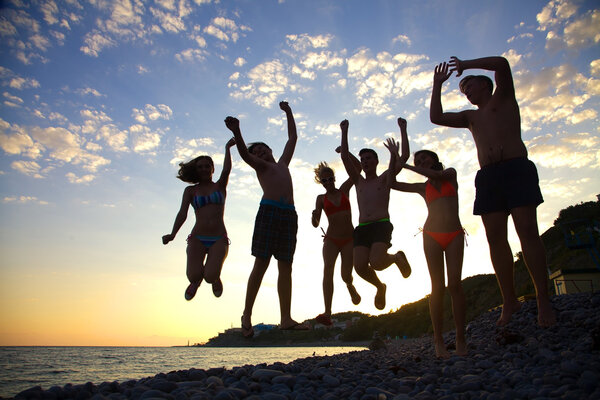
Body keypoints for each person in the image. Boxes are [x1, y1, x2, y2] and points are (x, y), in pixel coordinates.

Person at [430, 56, 556, 327]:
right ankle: (509, 300)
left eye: (470, 86)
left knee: (526, 230)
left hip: (516, 168)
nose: (467, 92)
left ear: (485, 85)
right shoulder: (470, 117)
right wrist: (437, 84)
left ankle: (543, 298)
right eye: (463, 91)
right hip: (488, 176)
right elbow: (436, 117)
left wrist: (465, 65)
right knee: (495, 238)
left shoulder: (504, 98)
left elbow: (501, 64)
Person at [224, 101, 309, 338]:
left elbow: (292, 139)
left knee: (286, 266)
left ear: (271, 150)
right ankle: (247, 315)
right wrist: (237, 132)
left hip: (289, 215)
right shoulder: (260, 167)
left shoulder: (282, 164)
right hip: (269, 212)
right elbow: (243, 153)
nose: (260, 153)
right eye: (256, 153)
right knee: (261, 264)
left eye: (263, 149)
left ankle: (285, 318)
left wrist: (289, 112)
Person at [390, 146, 467, 358]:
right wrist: (394, 160)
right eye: (418, 161)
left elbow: (438, 175)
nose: (421, 162)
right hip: (431, 234)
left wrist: (406, 165)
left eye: (424, 158)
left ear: (434, 159)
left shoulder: (449, 174)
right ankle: (438, 341)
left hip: (454, 234)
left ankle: (461, 339)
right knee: (437, 287)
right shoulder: (422, 188)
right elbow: (391, 184)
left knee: (455, 284)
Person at [339, 118, 412, 311]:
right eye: (362, 160)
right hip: (362, 228)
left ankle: (396, 257)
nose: (365, 162)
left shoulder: (384, 178)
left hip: (381, 224)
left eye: (369, 158)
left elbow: (404, 156)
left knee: (377, 263)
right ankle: (380, 287)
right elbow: (345, 157)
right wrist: (344, 131)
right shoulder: (358, 182)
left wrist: (403, 129)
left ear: (376, 161)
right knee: (360, 267)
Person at [162, 138, 236, 301]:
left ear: (212, 169)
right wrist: (173, 234)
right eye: (200, 167)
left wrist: (228, 148)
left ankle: (215, 278)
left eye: (207, 166)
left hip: (218, 237)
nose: (203, 169)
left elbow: (227, 170)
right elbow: (182, 213)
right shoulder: (190, 191)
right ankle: (195, 283)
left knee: (209, 276)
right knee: (194, 276)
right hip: (197, 237)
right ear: (196, 170)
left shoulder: (220, 186)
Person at [311, 161, 361, 326]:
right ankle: (327, 312)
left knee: (345, 275)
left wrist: (344, 153)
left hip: (349, 239)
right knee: (327, 270)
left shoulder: (345, 190)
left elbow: (358, 167)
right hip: (331, 239)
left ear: (334, 178)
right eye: (324, 181)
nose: (328, 183)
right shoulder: (320, 199)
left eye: (330, 179)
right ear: (321, 182)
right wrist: (314, 216)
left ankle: (350, 285)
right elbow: (316, 223)